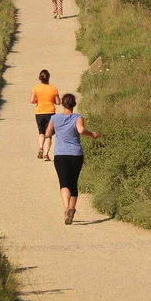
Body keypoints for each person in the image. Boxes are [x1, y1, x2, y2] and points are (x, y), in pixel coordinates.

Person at [44, 93, 98, 225]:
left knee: (64, 184)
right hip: (75, 154)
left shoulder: (55, 118)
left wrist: (58, 130)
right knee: (73, 183)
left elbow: (47, 133)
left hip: (60, 155)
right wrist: (92, 134)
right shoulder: (78, 117)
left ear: (62, 103)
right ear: (74, 104)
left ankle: (66, 208)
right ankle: (72, 210)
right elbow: (80, 130)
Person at [30, 70, 60, 161]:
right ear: (49, 77)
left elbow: (32, 101)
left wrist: (37, 101)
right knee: (49, 135)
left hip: (39, 112)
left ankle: (40, 147)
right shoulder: (53, 89)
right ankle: (46, 154)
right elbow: (58, 102)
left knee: (41, 132)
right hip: (50, 113)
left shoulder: (36, 88)